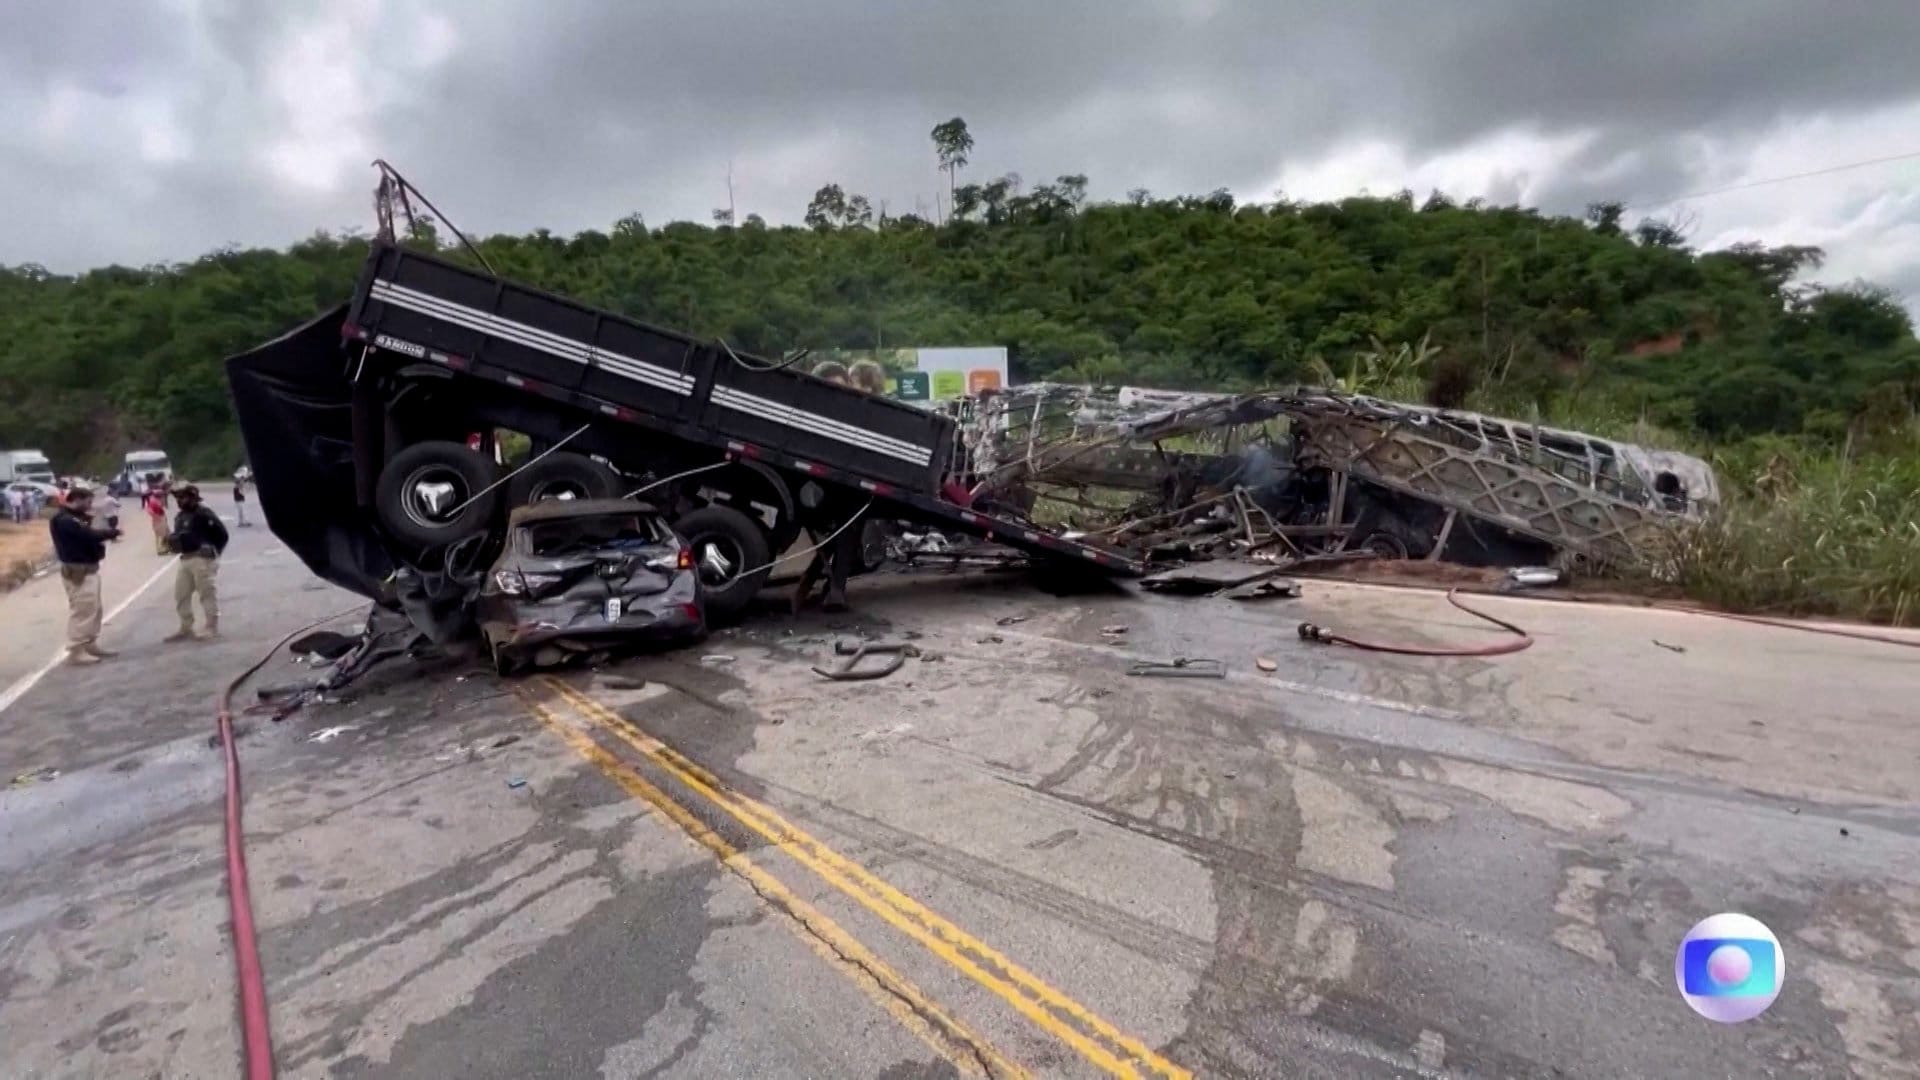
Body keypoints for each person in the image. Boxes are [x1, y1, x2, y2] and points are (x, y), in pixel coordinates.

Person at [50, 487, 122, 665]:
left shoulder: (74, 518)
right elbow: (87, 535)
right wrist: (110, 533)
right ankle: (76, 649)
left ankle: (90, 644)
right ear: (77, 499)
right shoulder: (64, 520)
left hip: (89, 569)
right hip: (78, 572)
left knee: (94, 609)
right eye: (88, 501)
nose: (90, 506)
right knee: (83, 610)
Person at [166, 484, 228, 641]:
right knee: (181, 595)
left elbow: (222, 534)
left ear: (193, 497)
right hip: (185, 558)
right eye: (178, 498)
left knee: (206, 594)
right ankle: (186, 627)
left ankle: (211, 627)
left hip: (202, 558)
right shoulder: (180, 516)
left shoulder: (203, 514)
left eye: (183, 497)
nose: (180, 501)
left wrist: (214, 552)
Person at [141, 474, 170, 554]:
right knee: (161, 534)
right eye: (161, 495)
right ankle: (161, 549)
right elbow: (149, 510)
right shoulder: (154, 501)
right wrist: (156, 516)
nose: (162, 497)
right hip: (159, 519)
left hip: (159, 518)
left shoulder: (154, 500)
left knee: (165, 533)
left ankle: (166, 547)